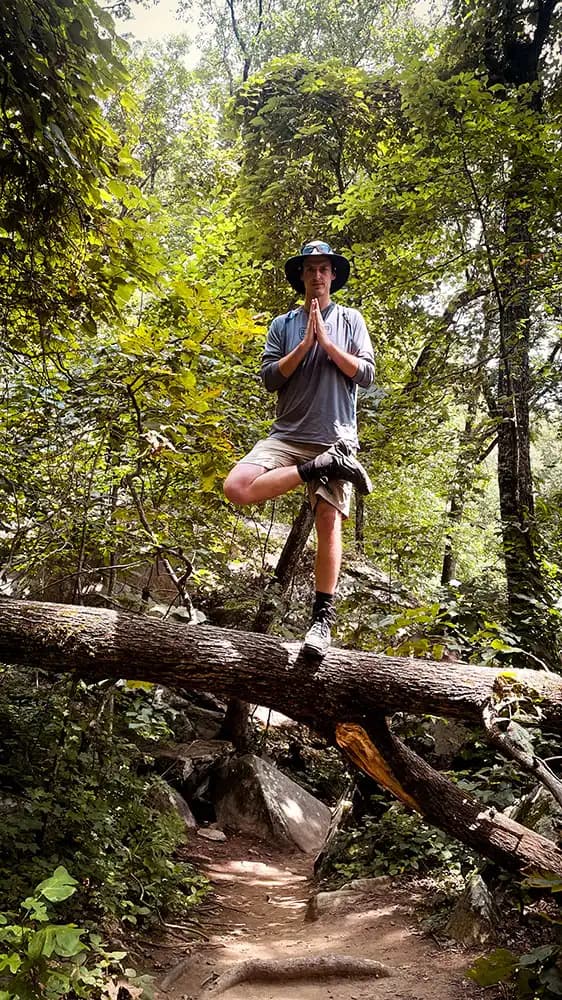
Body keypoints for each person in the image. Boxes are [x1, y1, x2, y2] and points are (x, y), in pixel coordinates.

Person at [223, 239, 375, 656]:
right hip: (288, 435)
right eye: (310, 269)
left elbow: (365, 374)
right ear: (301, 277)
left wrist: (327, 344)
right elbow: (270, 378)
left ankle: (321, 622)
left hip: (334, 435)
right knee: (236, 487)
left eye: (324, 269)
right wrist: (305, 345)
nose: (317, 276)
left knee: (329, 520)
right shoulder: (282, 324)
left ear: (333, 276)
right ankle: (318, 467)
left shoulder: (350, 319)